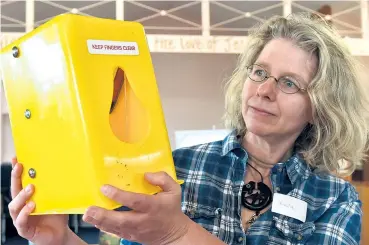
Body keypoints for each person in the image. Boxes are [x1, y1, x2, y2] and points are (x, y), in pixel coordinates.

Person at [8, 13, 369, 245]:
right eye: (259, 72)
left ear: (320, 107)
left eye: (289, 83)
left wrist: (178, 233)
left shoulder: (335, 199)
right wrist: (58, 240)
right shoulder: (173, 169)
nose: (264, 90)